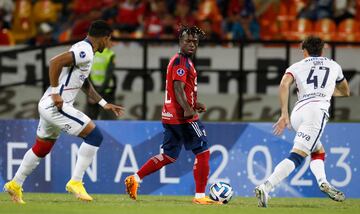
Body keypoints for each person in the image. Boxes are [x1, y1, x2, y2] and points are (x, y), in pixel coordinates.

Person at [3, 20, 125, 204]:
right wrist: (55, 93)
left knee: (42, 148)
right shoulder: (84, 50)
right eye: (109, 40)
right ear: (104, 38)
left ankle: (15, 184)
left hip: (48, 105)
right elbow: (54, 62)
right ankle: (76, 182)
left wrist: (102, 102)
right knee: (95, 136)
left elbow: (82, 81)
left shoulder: (83, 49)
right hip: (55, 105)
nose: (109, 44)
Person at [124, 25, 220, 205]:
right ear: (180, 42)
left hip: (170, 116)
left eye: (195, 42)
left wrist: (192, 103)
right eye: (188, 41)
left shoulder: (179, 60)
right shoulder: (181, 62)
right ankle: (200, 197)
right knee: (203, 152)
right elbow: (177, 88)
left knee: (169, 155)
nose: (192, 44)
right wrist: (187, 109)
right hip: (183, 118)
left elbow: (179, 89)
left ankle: (135, 179)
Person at [255, 36, 350, 208]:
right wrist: (326, 91)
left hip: (298, 113)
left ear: (303, 50)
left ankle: (323, 181)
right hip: (316, 112)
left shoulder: (296, 66)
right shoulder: (334, 65)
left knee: (318, 150)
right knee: (297, 156)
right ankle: (266, 186)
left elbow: (284, 84)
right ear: (323, 50)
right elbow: (345, 91)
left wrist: (284, 113)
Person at [85, 47, 117, 120]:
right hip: (105, 91)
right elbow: (109, 75)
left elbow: (86, 73)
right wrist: (97, 93)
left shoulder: (90, 53)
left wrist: (93, 93)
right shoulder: (110, 54)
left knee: (89, 120)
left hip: (93, 90)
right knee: (108, 120)